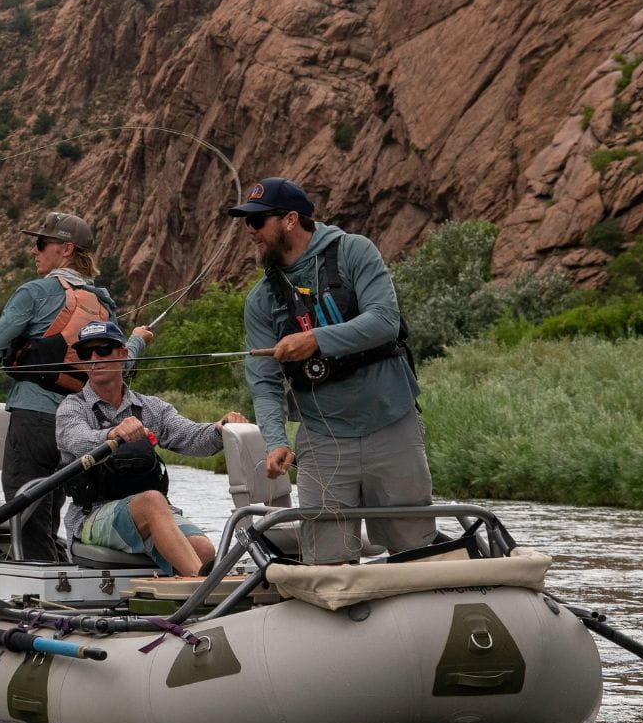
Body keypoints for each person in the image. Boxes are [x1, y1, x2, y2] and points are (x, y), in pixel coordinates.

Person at [227, 177, 436, 565]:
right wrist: (275, 441)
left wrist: (315, 340)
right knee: (328, 560)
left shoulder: (356, 251)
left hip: (391, 422)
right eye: (246, 223)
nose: (250, 232)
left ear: (290, 220)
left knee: (416, 550)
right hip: (322, 440)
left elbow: (385, 321)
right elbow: (264, 382)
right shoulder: (259, 301)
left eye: (257, 222)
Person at [0, 212, 150, 561]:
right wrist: (137, 340)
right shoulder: (103, 303)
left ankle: (35, 594)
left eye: (40, 243)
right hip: (77, 422)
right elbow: (122, 362)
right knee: (49, 510)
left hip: (33, 418)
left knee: (24, 505)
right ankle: (55, 577)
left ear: (65, 250)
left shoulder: (35, 292)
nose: (34, 251)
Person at [53, 320, 246, 577]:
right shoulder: (72, 407)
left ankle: (188, 600)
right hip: (92, 517)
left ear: (123, 354)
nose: (94, 358)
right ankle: (205, 591)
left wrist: (220, 429)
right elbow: (75, 440)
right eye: (86, 353)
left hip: (150, 514)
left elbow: (190, 437)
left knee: (203, 550)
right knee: (153, 500)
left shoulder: (152, 408)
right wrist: (112, 434)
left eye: (103, 350)